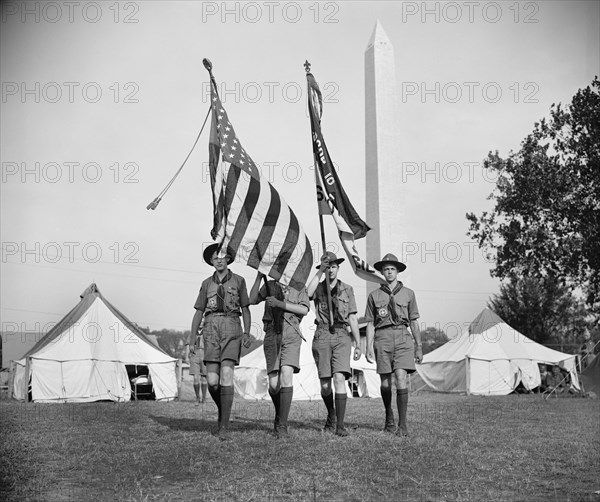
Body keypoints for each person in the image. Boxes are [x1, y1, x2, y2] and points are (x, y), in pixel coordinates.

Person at [187, 243, 252, 440]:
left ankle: (223, 427)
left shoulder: (239, 281)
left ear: (229, 259)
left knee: (226, 374)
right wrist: (192, 338)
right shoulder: (207, 283)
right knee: (213, 381)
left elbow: (246, 309)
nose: (219, 260)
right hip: (211, 327)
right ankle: (224, 412)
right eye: (216, 258)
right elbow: (199, 311)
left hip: (232, 325)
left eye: (223, 256)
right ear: (211, 262)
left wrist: (247, 332)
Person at [365, 253, 422, 437]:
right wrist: (368, 347)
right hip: (382, 337)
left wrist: (419, 346)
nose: (389, 272)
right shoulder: (374, 295)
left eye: (392, 269)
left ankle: (402, 425)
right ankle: (389, 416)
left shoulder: (409, 294)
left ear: (397, 272)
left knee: (401, 377)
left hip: (403, 336)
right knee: (385, 382)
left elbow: (413, 321)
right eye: (386, 269)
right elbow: (371, 323)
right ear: (382, 272)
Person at [307, 251, 361, 437]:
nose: (330, 270)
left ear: (338, 268)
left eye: (333, 266)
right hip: (322, 333)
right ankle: (331, 414)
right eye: (327, 266)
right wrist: (319, 270)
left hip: (341, 334)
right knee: (325, 385)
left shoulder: (347, 289)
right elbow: (308, 292)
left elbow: (353, 317)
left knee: (339, 378)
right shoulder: (319, 287)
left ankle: (340, 425)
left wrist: (358, 344)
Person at [249, 272, 310, 438]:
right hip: (271, 333)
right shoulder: (270, 285)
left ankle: (282, 425)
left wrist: (280, 304)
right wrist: (258, 277)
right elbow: (252, 299)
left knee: (286, 376)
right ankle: (279, 414)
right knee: (274, 385)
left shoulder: (299, 285)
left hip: (291, 333)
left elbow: (304, 309)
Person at [188, 318, 208, 404]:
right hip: (195, 354)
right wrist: (186, 356)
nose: (200, 323)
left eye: (202, 322)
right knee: (196, 378)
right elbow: (188, 344)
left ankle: (204, 398)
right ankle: (197, 397)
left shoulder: (207, 332)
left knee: (204, 378)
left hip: (204, 354)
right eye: (199, 322)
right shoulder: (193, 332)